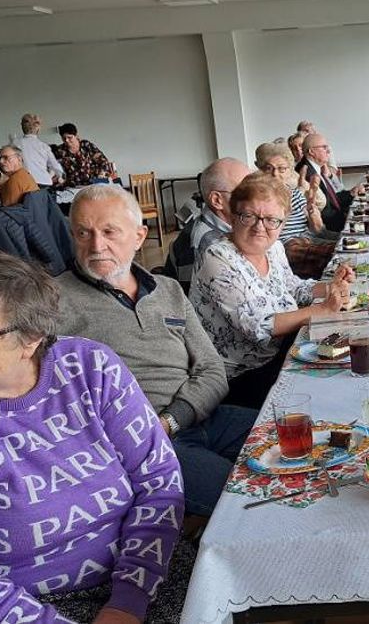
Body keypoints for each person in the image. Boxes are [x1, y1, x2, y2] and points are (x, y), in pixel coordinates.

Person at [0, 250, 184, 623]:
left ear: (31, 337)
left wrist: (128, 600)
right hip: (27, 606)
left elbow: (159, 481)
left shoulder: (91, 367)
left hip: (144, 574)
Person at [57, 185, 257, 520]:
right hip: (141, 444)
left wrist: (174, 418)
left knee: (300, 441)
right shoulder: (52, 301)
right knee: (243, 500)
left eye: (109, 232)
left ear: (139, 236)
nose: (96, 245)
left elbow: (211, 368)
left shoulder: (167, 289)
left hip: (203, 418)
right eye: (82, 233)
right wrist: (152, 428)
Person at [189, 174, 354, 409]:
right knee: (333, 388)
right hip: (243, 377)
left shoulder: (273, 248)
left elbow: (293, 289)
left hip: (282, 352)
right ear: (233, 218)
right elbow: (259, 327)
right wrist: (322, 310)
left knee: (352, 357)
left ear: (282, 223)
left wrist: (332, 287)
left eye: (270, 219)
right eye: (249, 216)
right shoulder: (217, 257)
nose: (259, 227)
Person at [256, 142, 335, 279]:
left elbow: (317, 230)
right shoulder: (257, 197)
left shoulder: (295, 194)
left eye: (282, 169)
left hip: (309, 241)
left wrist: (314, 217)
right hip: (285, 248)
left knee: (346, 242)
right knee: (337, 253)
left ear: (290, 171)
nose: (275, 174)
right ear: (260, 170)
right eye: (269, 168)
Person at [295, 133, 363, 232]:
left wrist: (351, 193)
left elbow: (332, 200)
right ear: (311, 152)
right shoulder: (306, 172)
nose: (328, 151)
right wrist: (349, 220)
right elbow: (324, 212)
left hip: (337, 221)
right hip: (330, 229)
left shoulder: (315, 167)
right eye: (324, 147)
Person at [191, 157, 250, 262]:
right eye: (244, 192)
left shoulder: (232, 224)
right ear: (217, 200)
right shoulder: (211, 246)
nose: (255, 197)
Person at [54, 123, 117, 188]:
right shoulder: (60, 151)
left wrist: (101, 173)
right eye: (64, 138)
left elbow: (103, 160)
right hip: (72, 186)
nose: (66, 140)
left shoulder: (86, 145)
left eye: (69, 137)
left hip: (92, 183)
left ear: (76, 136)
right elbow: (55, 167)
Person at [13, 113, 64, 187]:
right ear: (38, 128)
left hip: (24, 184)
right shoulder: (44, 146)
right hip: (44, 183)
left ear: (22, 127)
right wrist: (60, 176)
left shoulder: (15, 144)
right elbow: (55, 166)